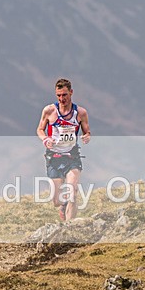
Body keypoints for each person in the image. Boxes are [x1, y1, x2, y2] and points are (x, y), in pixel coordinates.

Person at [36, 78, 91, 221]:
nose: (62, 99)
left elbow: (87, 131)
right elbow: (40, 129)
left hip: (72, 156)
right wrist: (45, 139)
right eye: (59, 95)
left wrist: (86, 136)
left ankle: (69, 229)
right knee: (57, 201)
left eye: (64, 95)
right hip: (54, 157)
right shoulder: (49, 111)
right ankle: (63, 205)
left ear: (71, 92)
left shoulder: (80, 113)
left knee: (72, 192)